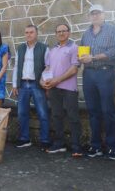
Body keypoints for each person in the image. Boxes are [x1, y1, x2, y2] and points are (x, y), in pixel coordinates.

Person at [79, 4, 115, 160]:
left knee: (108, 111)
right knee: (93, 112)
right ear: (89, 16)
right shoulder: (86, 34)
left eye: (97, 13)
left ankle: (112, 147)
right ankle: (95, 146)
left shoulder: (113, 30)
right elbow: (83, 53)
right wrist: (82, 57)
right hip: (89, 74)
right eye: (92, 13)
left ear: (103, 14)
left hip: (105, 73)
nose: (95, 16)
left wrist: (94, 57)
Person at [41, 24, 82, 157]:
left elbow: (74, 69)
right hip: (54, 89)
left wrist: (57, 80)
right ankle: (59, 144)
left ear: (69, 32)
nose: (61, 33)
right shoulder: (52, 50)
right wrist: (42, 80)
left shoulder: (74, 48)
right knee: (56, 116)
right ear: (56, 34)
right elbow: (48, 68)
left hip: (69, 89)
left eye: (64, 31)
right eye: (58, 31)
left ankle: (76, 147)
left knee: (73, 117)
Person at [12, 25, 50, 150]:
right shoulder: (21, 48)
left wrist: (46, 84)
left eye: (31, 32)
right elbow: (17, 67)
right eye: (26, 32)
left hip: (37, 85)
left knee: (43, 113)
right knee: (22, 113)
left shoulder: (44, 48)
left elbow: (48, 67)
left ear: (36, 34)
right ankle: (24, 139)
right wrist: (14, 84)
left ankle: (45, 140)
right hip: (23, 84)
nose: (28, 34)